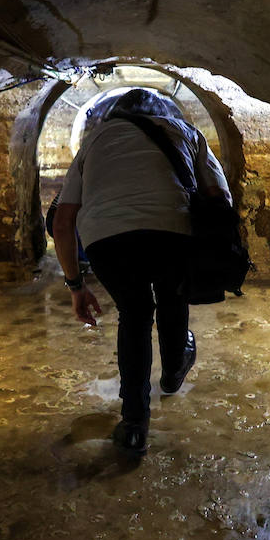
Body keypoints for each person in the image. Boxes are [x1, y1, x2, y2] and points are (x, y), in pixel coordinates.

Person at [51, 87, 231, 456]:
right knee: (172, 294)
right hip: (173, 231)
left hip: (107, 240)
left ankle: (134, 425)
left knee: (134, 315)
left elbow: (63, 220)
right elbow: (220, 197)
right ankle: (175, 364)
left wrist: (75, 285)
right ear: (166, 111)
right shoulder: (186, 133)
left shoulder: (95, 139)